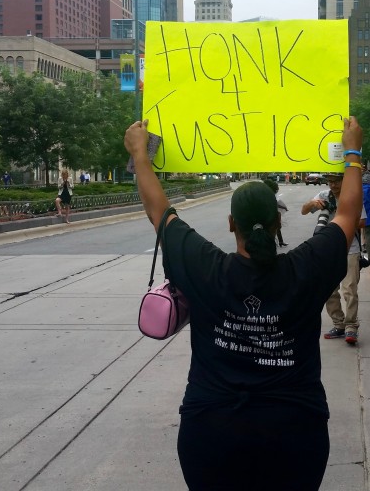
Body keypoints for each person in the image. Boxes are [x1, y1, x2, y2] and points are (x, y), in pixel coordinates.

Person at [124, 117, 363, 491]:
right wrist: (352, 153)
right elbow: (347, 213)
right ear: (276, 221)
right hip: (296, 433)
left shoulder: (205, 267)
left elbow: (161, 213)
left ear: (232, 222)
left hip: (211, 433)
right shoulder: (307, 269)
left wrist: (141, 156)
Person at [301, 170, 366, 344]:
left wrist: (342, 217)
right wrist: (312, 203)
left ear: (344, 181)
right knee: (329, 290)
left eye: (336, 181)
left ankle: (351, 327)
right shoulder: (324, 195)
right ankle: (339, 324)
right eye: (330, 181)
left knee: (349, 289)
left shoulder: (353, 197)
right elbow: (304, 211)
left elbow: (362, 222)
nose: (333, 185)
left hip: (350, 247)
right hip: (327, 250)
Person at [262, 178, 288, 247]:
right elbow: (274, 203)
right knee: (273, 227)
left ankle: (280, 241)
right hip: (269, 213)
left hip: (271, 212)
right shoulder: (268, 193)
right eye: (276, 190)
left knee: (277, 227)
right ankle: (273, 242)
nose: (276, 191)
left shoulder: (269, 192)